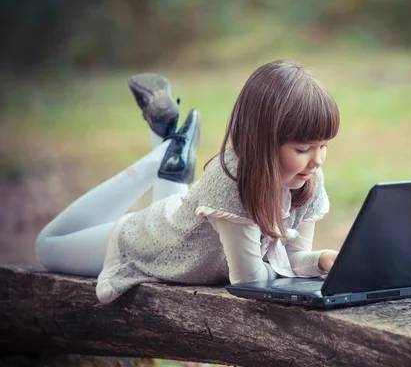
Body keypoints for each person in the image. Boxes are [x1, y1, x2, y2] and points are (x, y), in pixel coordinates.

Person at [35, 60, 340, 304]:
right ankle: (157, 160)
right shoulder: (233, 183)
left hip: (182, 232)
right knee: (47, 247)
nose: (318, 160)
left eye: (323, 146)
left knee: (180, 223)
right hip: (150, 243)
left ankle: (167, 151)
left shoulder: (308, 177)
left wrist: (324, 260)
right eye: (303, 149)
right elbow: (251, 282)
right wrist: (299, 269)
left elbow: (290, 261)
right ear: (262, 141)